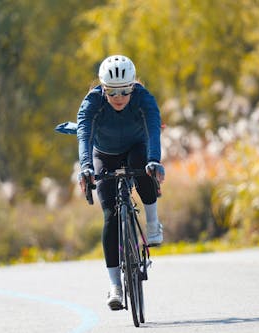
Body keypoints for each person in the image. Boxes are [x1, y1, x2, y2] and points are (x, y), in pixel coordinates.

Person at [76, 55, 165, 310]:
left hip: (136, 147)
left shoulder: (143, 97)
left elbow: (153, 127)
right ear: (102, 88)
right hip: (103, 154)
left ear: (133, 86)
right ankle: (115, 285)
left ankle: (152, 223)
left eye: (125, 91)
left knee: (144, 169)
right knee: (110, 215)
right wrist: (86, 167)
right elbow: (84, 133)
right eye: (112, 92)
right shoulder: (92, 102)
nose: (119, 98)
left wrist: (154, 160)